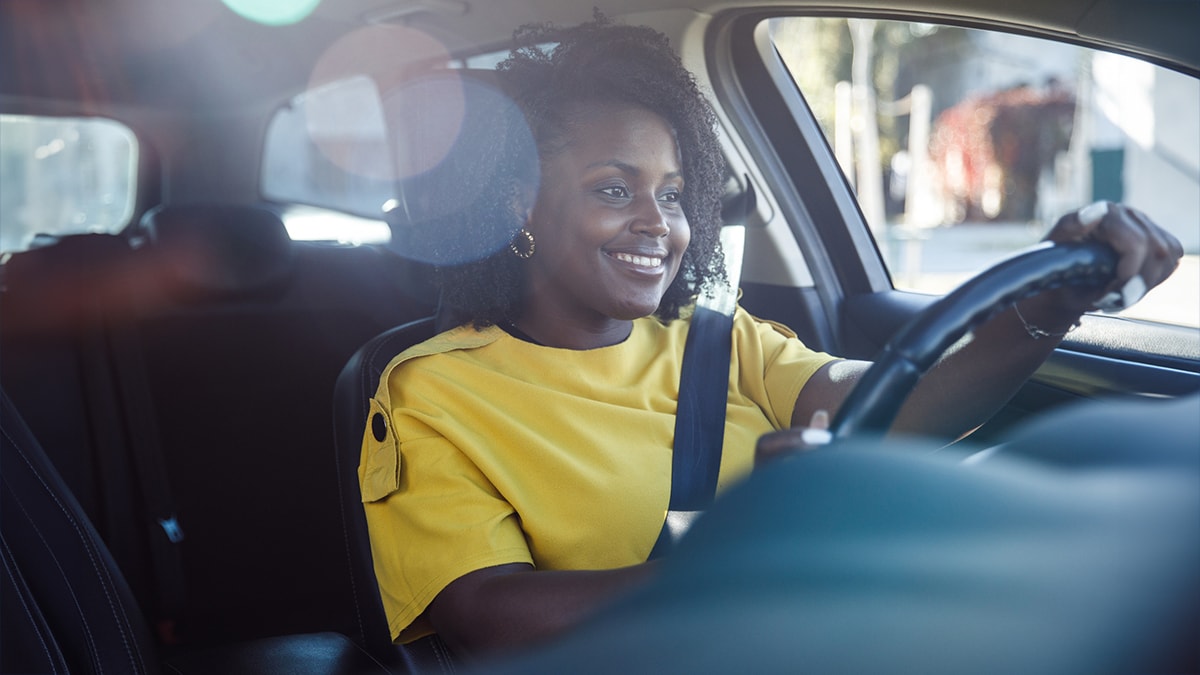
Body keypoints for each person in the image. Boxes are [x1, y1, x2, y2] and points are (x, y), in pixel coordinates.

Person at [359, 15, 1183, 658]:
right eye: (616, 188)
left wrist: (1049, 302)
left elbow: (899, 403)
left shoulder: (719, 339)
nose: (660, 224)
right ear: (519, 206)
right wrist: (754, 548)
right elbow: (492, 617)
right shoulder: (433, 390)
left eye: (677, 195)